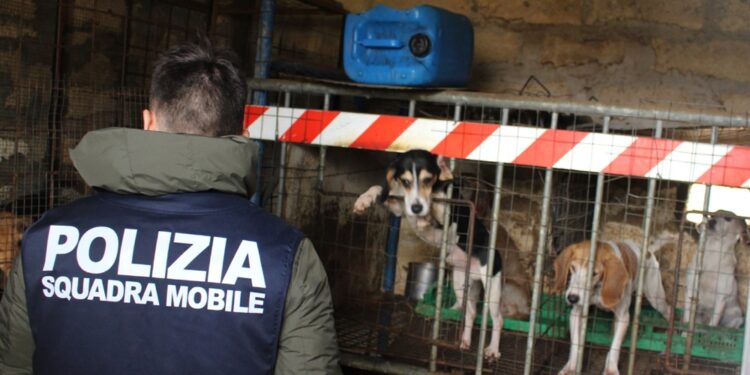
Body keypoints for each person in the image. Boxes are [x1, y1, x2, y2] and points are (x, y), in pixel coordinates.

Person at [0, 38, 341, 375]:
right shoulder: (284, 256)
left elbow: (15, 365)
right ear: (238, 132)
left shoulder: (44, 241)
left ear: (148, 122)